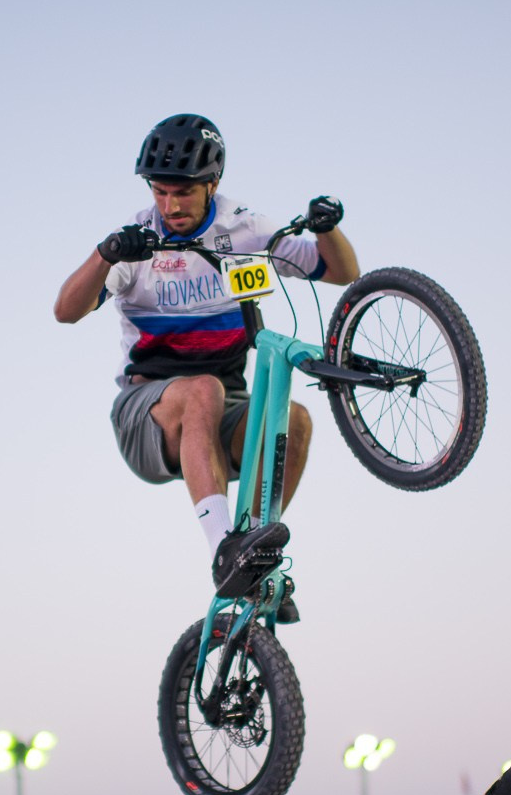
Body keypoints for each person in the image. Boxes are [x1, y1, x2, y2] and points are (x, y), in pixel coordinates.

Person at [55, 114, 362, 616]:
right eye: (160, 193)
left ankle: (255, 556)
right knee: (203, 390)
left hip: (224, 408)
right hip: (147, 413)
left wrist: (329, 228)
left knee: (295, 419)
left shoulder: (243, 229)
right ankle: (225, 550)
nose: (171, 206)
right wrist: (105, 254)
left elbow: (341, 272)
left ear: (211, 184)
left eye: (183, 193)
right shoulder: (135, 243)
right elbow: (65, 311)